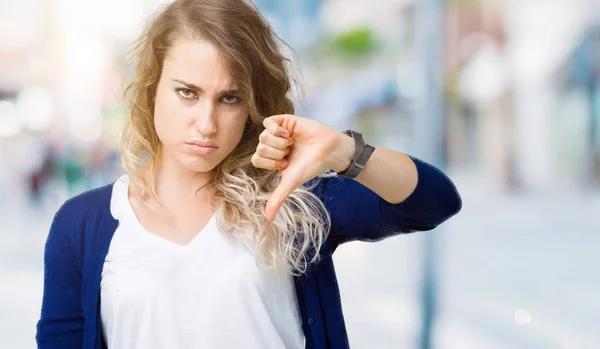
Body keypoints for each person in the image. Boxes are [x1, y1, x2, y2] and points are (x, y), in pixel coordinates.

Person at [35, 0, 462, 348]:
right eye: (187, 93)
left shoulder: (291, 200)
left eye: (229, 98)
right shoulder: (81, 226)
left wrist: (342, 149)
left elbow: (435, 202)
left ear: (251, 106)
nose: (206, 122)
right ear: (152, 90)